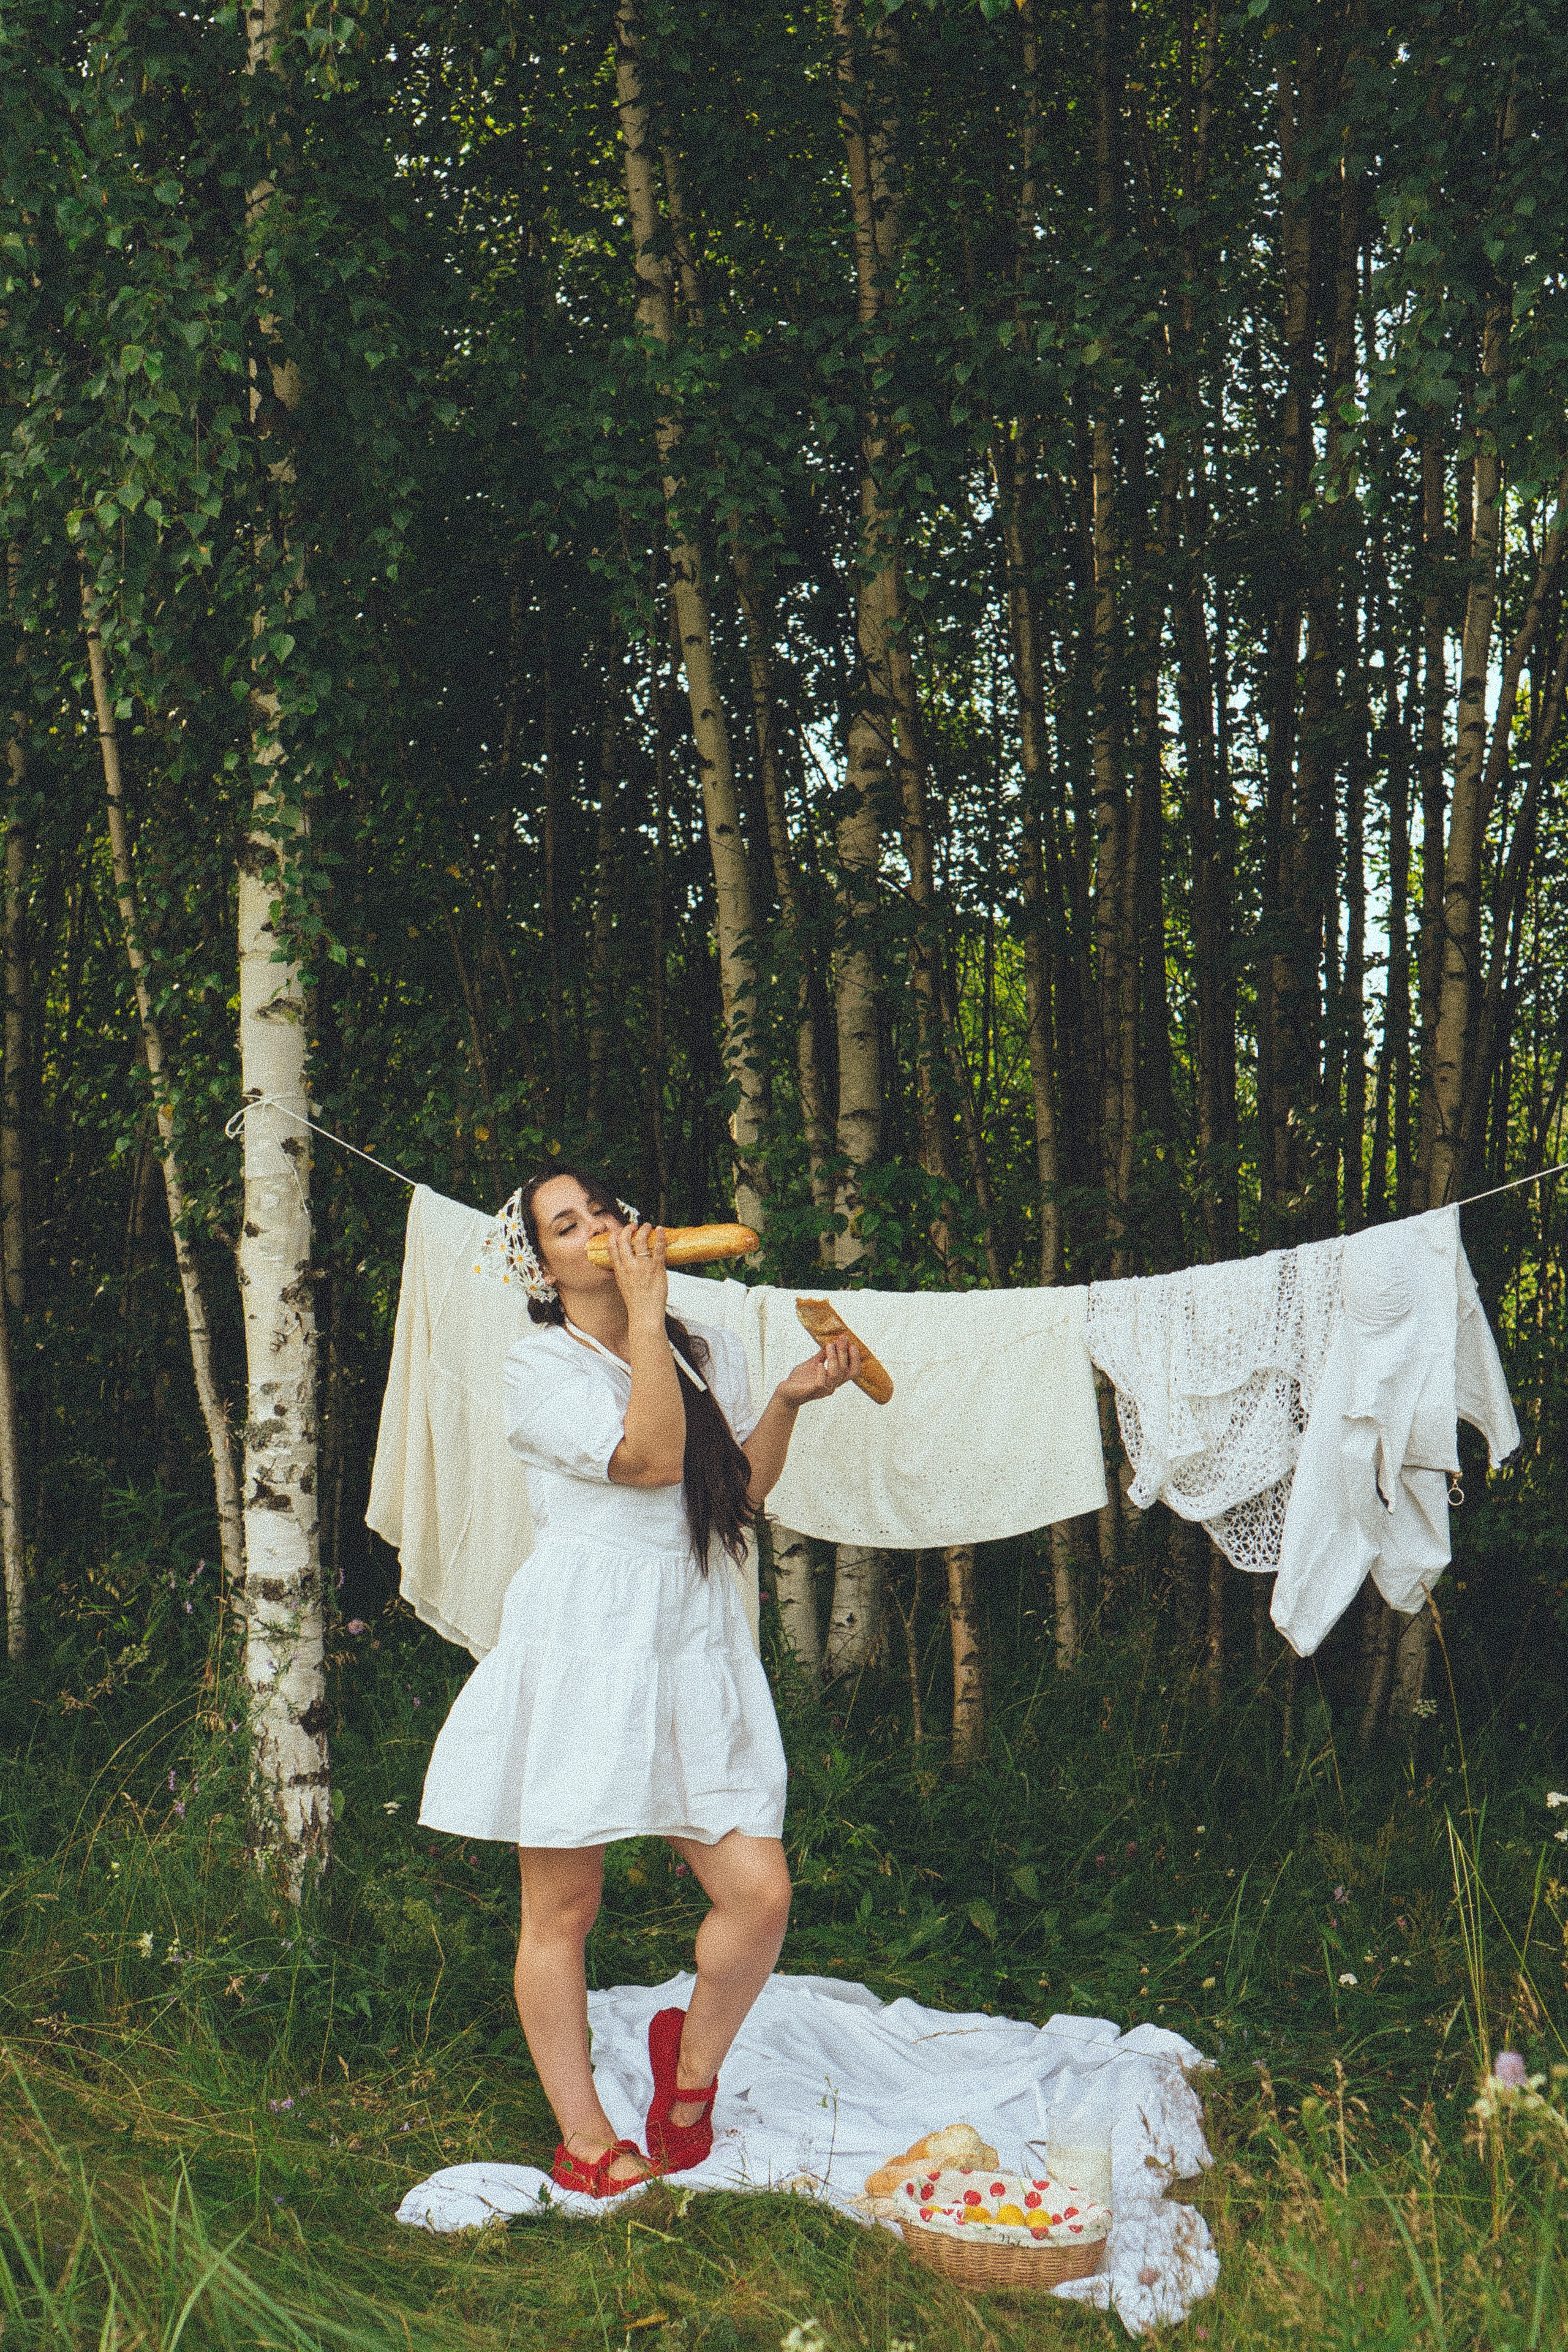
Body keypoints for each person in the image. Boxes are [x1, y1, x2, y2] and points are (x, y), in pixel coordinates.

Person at [418, 1165, 861, 2195]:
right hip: (585, 1645)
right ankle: (583, 2138)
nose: (601, 1233)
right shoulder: (540, 1372)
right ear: (545, 1265)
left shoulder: (709, 1351)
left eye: (604, 1211)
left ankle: (689, 2070)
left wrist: (789, 1400)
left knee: (759, 1895)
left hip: (689, 1635)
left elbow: (731, 1493)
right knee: (565, 1906)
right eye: (567, 1227)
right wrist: (650, 1315)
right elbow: (654, 1460)